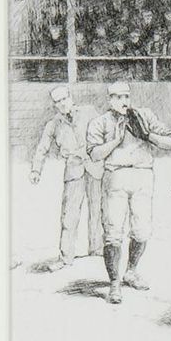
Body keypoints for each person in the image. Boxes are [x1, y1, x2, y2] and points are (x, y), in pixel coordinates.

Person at [85, 81, 171, 305]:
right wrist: (116, 140)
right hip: (115, 176)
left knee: (142, 230)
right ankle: (114, 282)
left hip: (143, 175)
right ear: (109, 100)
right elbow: (95, 155)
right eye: (117, 97)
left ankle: (131, 271)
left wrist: (147, 135)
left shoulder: (144, 115)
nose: (123, 101)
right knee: (113, 231)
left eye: (126, 96)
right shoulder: (100, 122)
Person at [28, 86, 103, 270]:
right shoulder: (52, 125)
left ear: (70, 97)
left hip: (95, 167)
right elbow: (42, 148)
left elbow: (105, 133)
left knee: (98, 211)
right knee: (69, 214)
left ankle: (98, 251)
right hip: (73, 170)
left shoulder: (90, 112)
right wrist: (36, 170)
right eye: (57, 102)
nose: (62, 104)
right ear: (54, 105)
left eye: (64, 99)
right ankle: (65, 257)